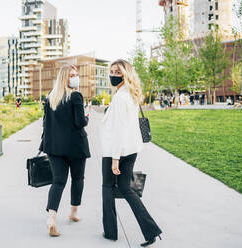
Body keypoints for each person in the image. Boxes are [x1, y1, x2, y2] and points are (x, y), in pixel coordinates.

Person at [100, 59, 162, 247]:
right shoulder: (129, 94)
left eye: (117, 72)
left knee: (107, 188)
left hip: (116, 151)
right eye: (111, 71)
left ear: (125, 74)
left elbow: (119, 129)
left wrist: (115, 159)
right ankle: (151, 230)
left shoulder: (121, 97)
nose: (113, 75)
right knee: (126, 189)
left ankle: (110, 232)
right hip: (130, 149)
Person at [39, 64, 90, 237]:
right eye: (71, 75)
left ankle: (52, 218)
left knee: (58, 182)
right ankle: (73, 213)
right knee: (77, 179)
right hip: (76, 147)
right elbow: (79, 122)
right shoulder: (76, 96)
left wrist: (44, 145)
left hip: (54, 148)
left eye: (76, 74)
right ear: (64, 78)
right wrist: (86, 118)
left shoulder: (50, 97)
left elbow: (46, 124)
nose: (75, 78)